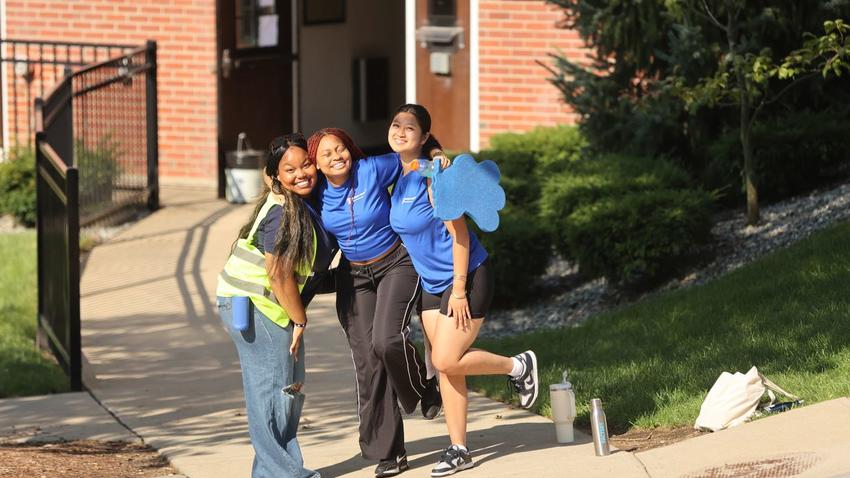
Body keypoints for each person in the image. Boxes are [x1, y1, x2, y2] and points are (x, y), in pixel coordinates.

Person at [386, 104, 539, 477]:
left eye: (410, 127)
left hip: (465, 277)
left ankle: (518, 365)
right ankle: (458, 448)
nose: (400, 131)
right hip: (431, 284)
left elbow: (461, 236)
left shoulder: (434, 179)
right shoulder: (405, 173)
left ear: (424, 138)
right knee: (447, 369)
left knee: (444, 360)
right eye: (395, 125)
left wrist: (457, 290)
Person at [306, 128, 445, 478]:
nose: (337, 156)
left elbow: (412, 155)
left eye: (340, 148)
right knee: (369, 362)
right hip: (354, 277)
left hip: (396, 263)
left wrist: (437, 157)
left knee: (386, 340)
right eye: (327, 154)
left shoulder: (371, 170)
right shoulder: (316, 194)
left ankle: (423, 387)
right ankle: (390, 451)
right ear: (317, 165)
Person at [216, 133, 337, 478]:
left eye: (306, 164)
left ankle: (273, 471)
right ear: (276, 175)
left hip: (267, 309)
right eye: (290, 169)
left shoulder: (299, 204)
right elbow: (278, 273)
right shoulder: (283, 212)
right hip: (256, 308)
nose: (301, 173)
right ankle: (283, 473)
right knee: (272, 393)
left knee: (286, 390)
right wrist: (300, 321)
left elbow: (300, 274)